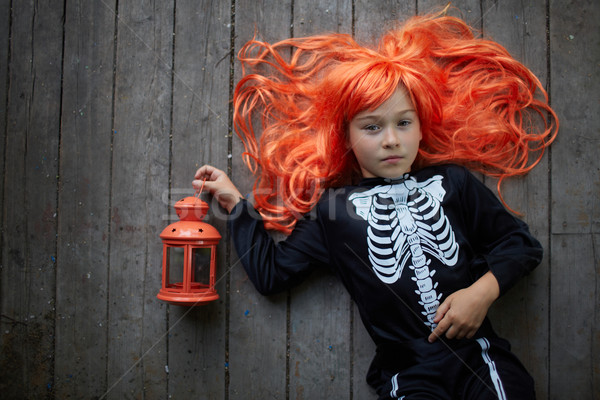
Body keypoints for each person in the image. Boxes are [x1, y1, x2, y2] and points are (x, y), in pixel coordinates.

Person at [193, 11, 558, 400]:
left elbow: (520, 245)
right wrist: (235, 204)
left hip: (481, 358)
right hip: (408, 372)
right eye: (371, 127)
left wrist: (481, 293)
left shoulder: (451, 182)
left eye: (404, 123)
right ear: (345, 137)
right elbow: (272, 274)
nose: (391, 140)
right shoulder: (332, 210)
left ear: (421, 127)